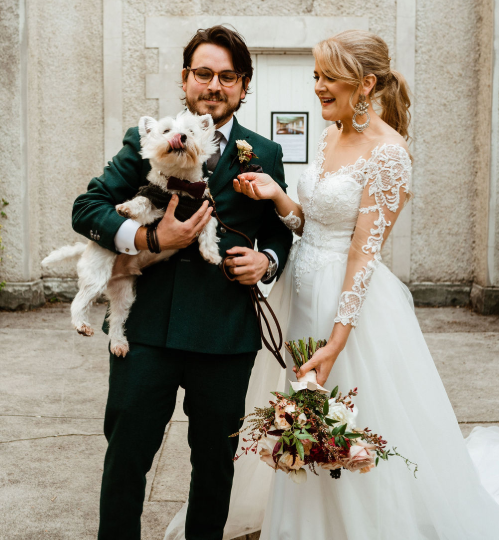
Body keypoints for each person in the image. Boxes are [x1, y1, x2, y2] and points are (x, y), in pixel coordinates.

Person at [166, 29, 499, 539]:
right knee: (302, 422)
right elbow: (312, 224)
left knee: (350, 419)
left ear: (364, 84)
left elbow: (363, 256)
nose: (318, 87)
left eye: (329, 78)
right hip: (301, 290)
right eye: (316, 76)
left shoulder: (389, 155)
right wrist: (277, 196)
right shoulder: (331, 133)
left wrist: (337, 341)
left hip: (350, 309)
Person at [71, 25, 293, 540]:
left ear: (244, 84)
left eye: (227, 76)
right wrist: (149, 238)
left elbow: (282, 235)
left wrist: (267, 263)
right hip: (145, 331)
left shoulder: (263, 152)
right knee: (126, 457)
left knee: (215, 466)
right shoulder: (144, 139)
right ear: (185, 78)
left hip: (224, 335)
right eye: (203, 73)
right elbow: (87, 209)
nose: (214, 85)